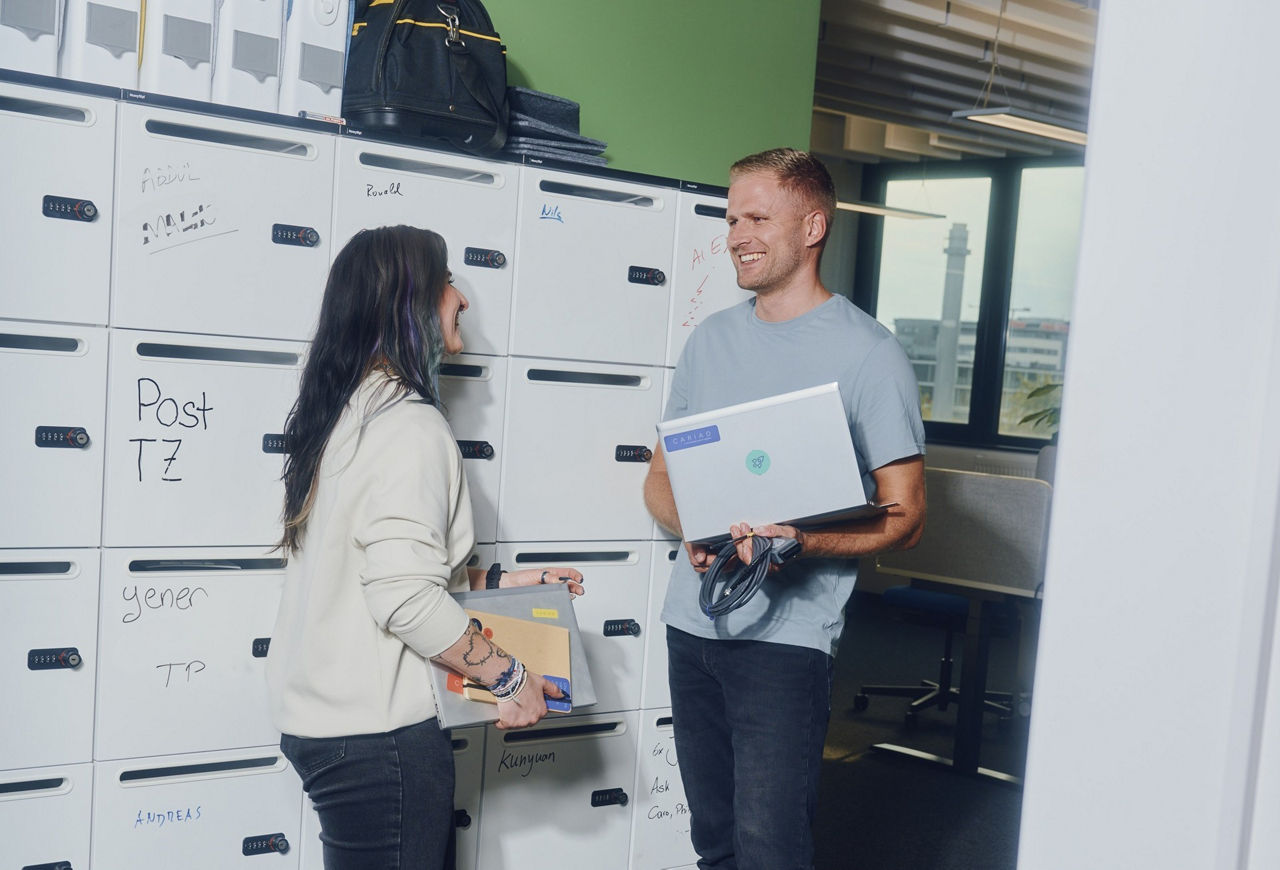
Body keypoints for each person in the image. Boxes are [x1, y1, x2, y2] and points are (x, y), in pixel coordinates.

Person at [265, 225, 584, 869]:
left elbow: (370, 571)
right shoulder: (409, 424)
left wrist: (498, 586)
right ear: (408, 303)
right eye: (446, 283)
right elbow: (404, 597)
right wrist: (510, 676)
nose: (461, 299)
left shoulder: (348, 412)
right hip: (381, 741)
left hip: (333, 730)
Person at [643, 149, 927, 870]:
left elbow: (906, 516)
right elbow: (659, 477)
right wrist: (695, 528)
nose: (737, 235)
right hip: (692, 625)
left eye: (757, 218)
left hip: (786, 643)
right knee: (713, 845)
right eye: (731, 219)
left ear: (812, 227)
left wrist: (801, 543)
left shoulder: (870, 355)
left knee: (770, 849)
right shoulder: (710, 340)